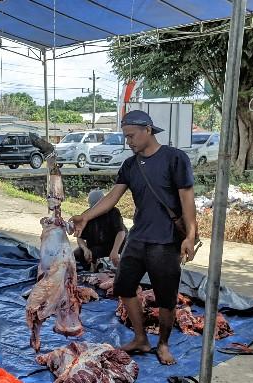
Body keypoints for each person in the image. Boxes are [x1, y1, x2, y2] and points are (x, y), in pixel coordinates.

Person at [71, 110, 197, 366]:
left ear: (148, 130)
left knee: (166, 297)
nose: (128, 141)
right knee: (124, 287)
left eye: (131, 136)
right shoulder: (130, 165)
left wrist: (190, 234)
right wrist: (85, 216)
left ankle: (163, 344)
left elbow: (187, 199)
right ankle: (141, 338)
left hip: (165, 240)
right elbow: (112, 197)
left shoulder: (175, 158)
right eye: (126, 137)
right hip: (138, 238)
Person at [74, 189, 126, 270]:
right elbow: (79, 237)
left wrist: (115, 251)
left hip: (114, 245)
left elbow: (121, 233)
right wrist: (85, 249)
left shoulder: (113, 212)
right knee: (77, 253)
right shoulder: (87, 215)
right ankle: (89, 272)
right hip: (97, 247)